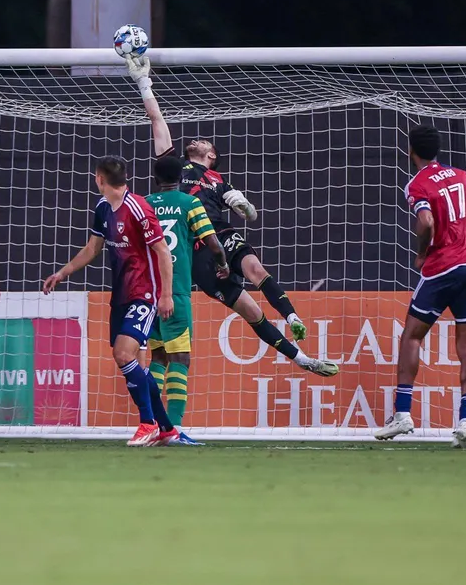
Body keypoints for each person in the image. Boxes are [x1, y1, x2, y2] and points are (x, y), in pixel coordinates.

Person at [129, 58, 338, 377]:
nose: (197, 140)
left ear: (211, 156)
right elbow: (156, 119)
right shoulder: (177, 168)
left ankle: (293, 317)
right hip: (197, 250)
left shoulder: (217, 179)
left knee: (255, 269)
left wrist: (243, 205)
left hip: (222, 234)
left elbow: (236, 202)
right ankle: (301, 359)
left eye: (204, 143)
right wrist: (144, 81)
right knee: (251, 311)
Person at [374, 125, 466, 448]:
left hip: (443, 267)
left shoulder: (417, 183)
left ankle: (403, 414)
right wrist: (463, 225)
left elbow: (427, 222)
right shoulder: (461, 174)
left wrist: (420, 254)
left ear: (410, 151)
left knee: (411, 335)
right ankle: (465, 421)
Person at [43, 156, 179, 446]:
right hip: (120, 294)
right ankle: (166, 428)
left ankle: (148, 424)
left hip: (144, 293)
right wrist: (63, 272)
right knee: (134, 365)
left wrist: (165, 295)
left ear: (99, 179)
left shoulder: (138, 208)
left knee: (124, 354)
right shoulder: (103, 207)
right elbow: (93, 247)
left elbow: (163, 252)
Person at [146, 153, 231, 446]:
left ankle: (152, 426)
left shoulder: (143, 205)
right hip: (177, 290)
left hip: (149, 291)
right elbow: (212, 241)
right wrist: (222, 263)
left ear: (156, 179)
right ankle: (175, 428)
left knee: (157, 357)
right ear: (181, 179)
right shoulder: (190, 203)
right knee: (180, 358)